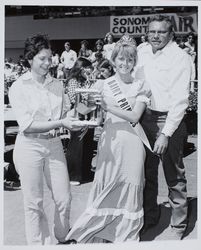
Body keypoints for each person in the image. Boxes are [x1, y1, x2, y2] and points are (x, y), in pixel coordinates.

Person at [65, 35, 151, 243]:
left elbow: (134, 116)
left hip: (132, 143)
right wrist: (81, 99)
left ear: (134, 62)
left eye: (130, 59)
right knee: (107, 186)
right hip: (110, 143)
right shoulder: (103, 85)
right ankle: (99, 234)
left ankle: (126, 237)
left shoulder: (141, 86)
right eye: (121, 59)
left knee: (130, 186)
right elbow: (84, 110)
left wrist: (106, 105)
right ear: (113, 60)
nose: (125, 63)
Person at [8, 34, 84, 245]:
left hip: (54, 145)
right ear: (30, 59)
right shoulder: (18, 86)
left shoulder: (57, 84)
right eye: (42, 58)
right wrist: (61, 124)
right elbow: (28, 125)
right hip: (29, 146)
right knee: (34, 203)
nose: (48, 63)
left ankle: (62, 237)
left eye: (50, 58)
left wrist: (88, 106)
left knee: (64, 197)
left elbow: (69, 113)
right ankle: (38, 245)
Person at [136, 15, 192, 240]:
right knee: (146, 173)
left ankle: (178, 226)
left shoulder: (180, 57)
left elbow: (180, 100)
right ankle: (150, 217)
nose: (155, 36)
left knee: (174, 176)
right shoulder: (141, 51)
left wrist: (165, 133)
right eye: (152, 31)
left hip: (169, 120)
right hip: (143, 118)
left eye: (161, 32)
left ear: (171, 34)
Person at [65, 57, 96, 186]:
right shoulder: (73, 81)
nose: (90, 70)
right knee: (76, 146)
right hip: (78, 114)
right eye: (88, 68)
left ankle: (86, 172)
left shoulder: (87, 81)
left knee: (88, 144)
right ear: (82, 68)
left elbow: (93, 96)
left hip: (89, 114)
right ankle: (73, 174)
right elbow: (74, 99)